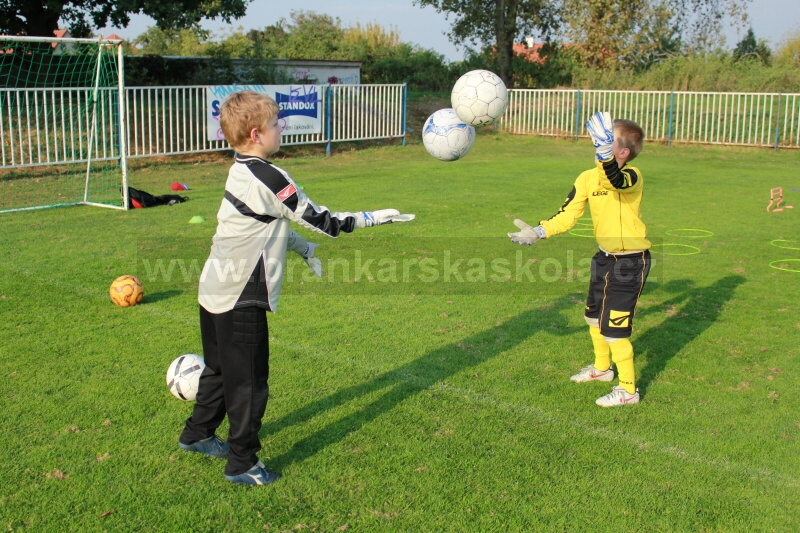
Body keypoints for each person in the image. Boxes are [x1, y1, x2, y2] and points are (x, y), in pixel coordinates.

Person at [178, 90, 414, 485]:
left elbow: (264, 224)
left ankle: (197, 434)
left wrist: (304, 250)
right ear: (256, 133)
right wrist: (376, 217)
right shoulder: (270, 176)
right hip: (240, 295)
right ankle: (242, 463)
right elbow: (324, 220)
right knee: (250, 384)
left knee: (219, 372)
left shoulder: (240, 167)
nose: (280, 129)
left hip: (213, 288)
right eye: (276, 124)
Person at [508, 111, 650, 407]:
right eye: (601, 139)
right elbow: (568, 215)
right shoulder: (587, 178)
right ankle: (601, 370)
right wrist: (539, 231)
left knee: (614, 330)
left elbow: (614, 181)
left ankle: (628, 391)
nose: (601, 143)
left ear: (622, 152)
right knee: (593, 318)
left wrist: (603, 155)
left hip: (630, 261)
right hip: (604, 258)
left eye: (608, 140)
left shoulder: (631, 177)